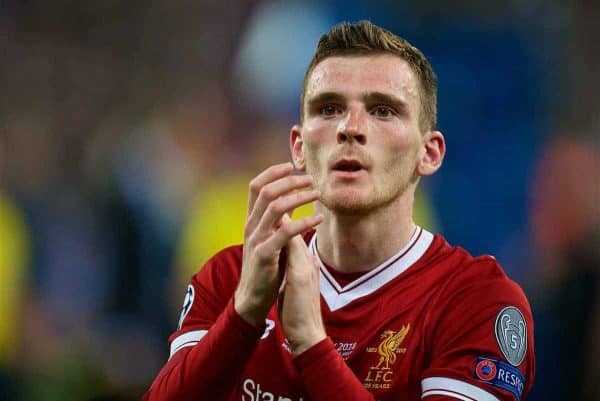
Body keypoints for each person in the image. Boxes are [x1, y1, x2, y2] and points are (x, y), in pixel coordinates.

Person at [143, 20, 535, 401]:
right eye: (328, 109)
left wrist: (312, 345)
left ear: (428, 153)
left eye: (383, 110)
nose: (350, 127)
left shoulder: (477, 303)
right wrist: (243, 314)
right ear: (298, 146)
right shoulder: (231, 278)